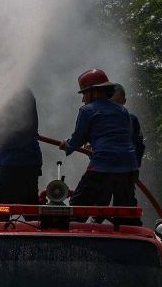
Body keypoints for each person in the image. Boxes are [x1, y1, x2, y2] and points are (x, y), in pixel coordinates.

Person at [59, 69, 140, 224]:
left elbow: (78, 138)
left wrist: (67, 145)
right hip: (129, 168)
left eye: (84, 94)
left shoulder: (87, 110)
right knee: (126, 214)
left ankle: (71, 243)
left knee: (77, 209)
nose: (83, 99)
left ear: (94, 92)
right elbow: (120, 137)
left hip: (103, 167)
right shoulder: (122, 110)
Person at [0, 87, 42, 204]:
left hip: (14, 160)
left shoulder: (12, 94)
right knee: (29, 204)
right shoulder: (23, 92)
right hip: (31, 160)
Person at [111, 84, 145, 168]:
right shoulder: (101, 120)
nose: (115, 106)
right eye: (112, 102)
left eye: (117, 102)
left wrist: (136, 164)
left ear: (124, 101)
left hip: (126, 166)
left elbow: (140, 144)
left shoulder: (132, 120)